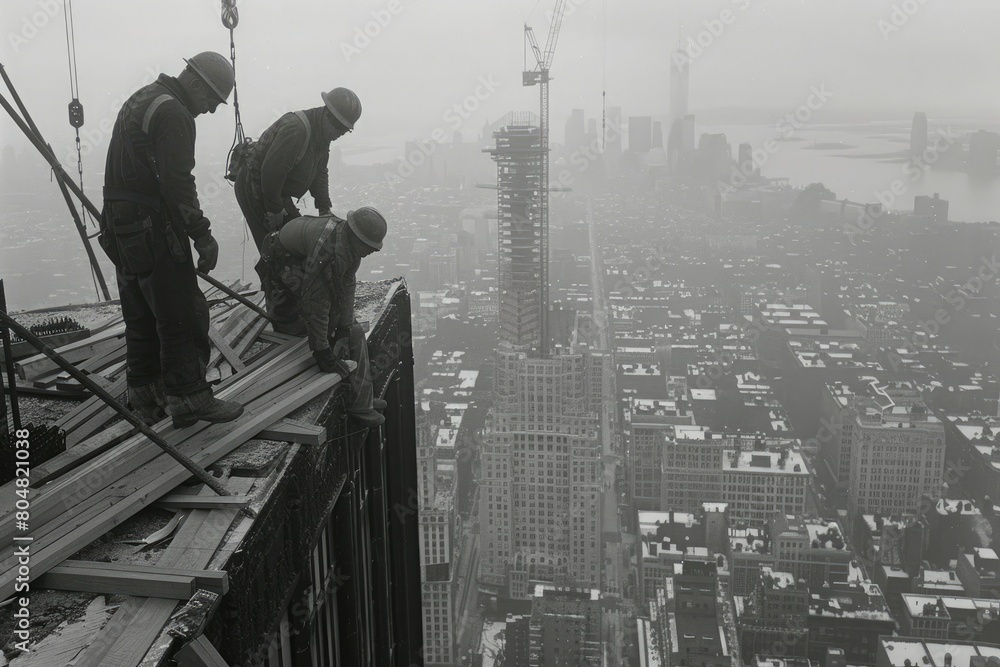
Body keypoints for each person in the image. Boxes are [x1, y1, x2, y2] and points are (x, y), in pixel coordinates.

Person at [100, 51, 243, 429]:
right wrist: (202, 235)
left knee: (142, 315)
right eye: (212, 100)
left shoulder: (143, 97)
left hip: (120, 225)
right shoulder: (175, 113)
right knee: (182, 312)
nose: (212, 110)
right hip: (150, 225)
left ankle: (147, 402)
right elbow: (178, 183)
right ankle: (190, 399)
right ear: (196, 84)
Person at [255, 207, 388, 428]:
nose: (373, 252)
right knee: (292, 329)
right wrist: (322, 350)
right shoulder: (327, 252)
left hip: (298, 257)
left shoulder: (348, 245)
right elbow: (316, 303)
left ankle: (363, 403)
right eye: (370, 246)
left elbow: (347, 285)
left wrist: (345, 325)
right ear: (357, 237)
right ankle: (360, 405)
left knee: (353, 331)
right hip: (281, 260)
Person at [234, 87, 361, 250]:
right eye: (339, 128)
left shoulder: (322, 134)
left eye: (345, 129)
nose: (341, 133)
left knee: (295, 240)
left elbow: (320, 172)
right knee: (278, 249)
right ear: (327, 116)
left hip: (277, 191)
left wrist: (324, 208)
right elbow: (271, 171)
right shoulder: (297, 129)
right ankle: (271, 274)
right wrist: (275, 210)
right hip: (255, 185)